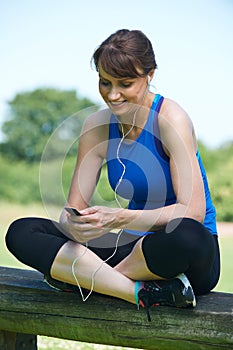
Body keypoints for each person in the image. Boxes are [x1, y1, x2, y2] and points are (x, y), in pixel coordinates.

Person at [6, 29, 220, 321]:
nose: (113, 94)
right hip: (130, 250)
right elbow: (70, 213)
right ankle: (137, 292)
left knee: (186, 236)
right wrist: (79, 224)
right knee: (22, 231)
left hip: (180, 254)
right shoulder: (96, 126)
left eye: (125, 83)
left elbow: (191, 212)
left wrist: (118, 218)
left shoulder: (171, 119)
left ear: (150, 75)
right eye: (104, 82)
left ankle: (86, 279)